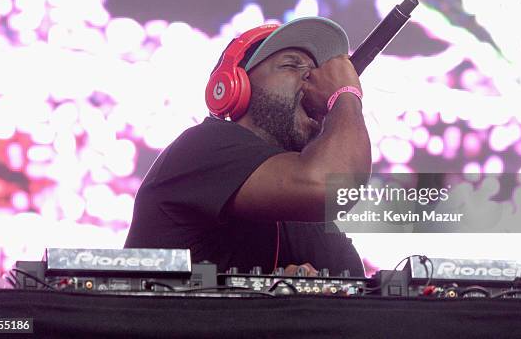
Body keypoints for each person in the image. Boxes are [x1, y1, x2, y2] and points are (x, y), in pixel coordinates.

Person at [125, 17, 371, 277]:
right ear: (236, 87)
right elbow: (331, 186)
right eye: (291, 65)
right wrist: (344, 94)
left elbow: (364, 303)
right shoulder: (202, 147)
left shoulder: (312, 224)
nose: (313, 80)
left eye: (315, 70)